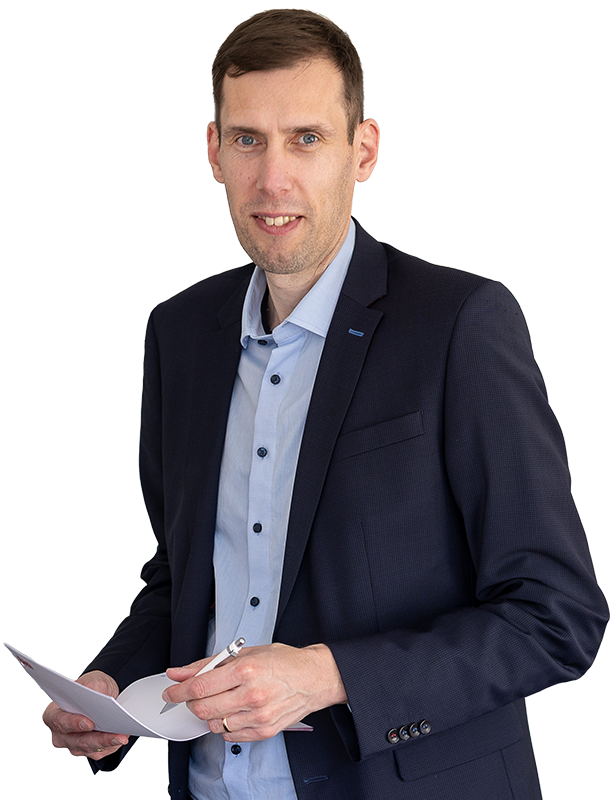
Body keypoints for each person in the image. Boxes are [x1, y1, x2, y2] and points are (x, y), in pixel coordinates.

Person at [43, 9, 608, 800]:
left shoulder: (457, 325)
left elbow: (556, 616)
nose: (273, 180)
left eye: (305, 138)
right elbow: (185, 578)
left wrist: (326, 676)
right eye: (248, 140)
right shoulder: (181, 335)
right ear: (213, 153)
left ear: (363, 150)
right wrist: (111, 687)